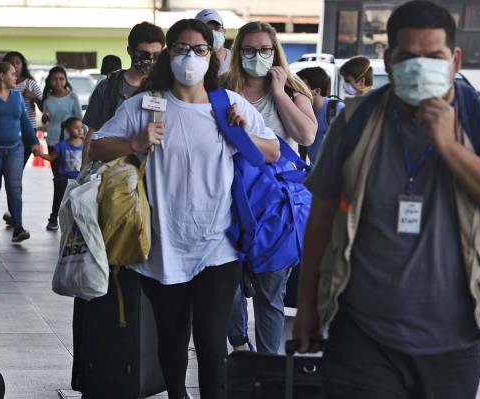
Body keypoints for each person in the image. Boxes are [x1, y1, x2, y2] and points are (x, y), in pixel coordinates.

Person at [293, 1, 480, 398]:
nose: (421, 66)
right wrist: (306, 308)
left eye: (434, 57)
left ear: (455, 60)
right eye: (408, 57)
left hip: (454, 341)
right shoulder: (355, 121)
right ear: (388, 60)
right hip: (362, 335)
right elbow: (320, 218)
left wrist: (451, 148)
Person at [89, 18, 280, 399]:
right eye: (180, 48)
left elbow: (272, 151)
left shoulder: (229, 104)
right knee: (172, 342)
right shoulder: (147, 103)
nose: (189, 56)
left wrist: (239, 133)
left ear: (211, 56)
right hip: (163, 245)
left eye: (199, 49)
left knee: (211, 345)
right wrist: (135, 142)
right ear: (167, 53)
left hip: (218, 248)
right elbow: (96, 146)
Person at [220, 20, 317, 354]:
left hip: (276, 211)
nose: (256, 56)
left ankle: (267, 369)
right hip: (227, 203)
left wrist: (278, 92)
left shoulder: (293, 92)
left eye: (264, 50)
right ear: (238, 52)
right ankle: (238, 343)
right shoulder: (221, 89)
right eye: (248, 50)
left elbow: (306, 136)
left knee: (270, 294)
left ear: (276, 52)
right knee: (225, 283)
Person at [81, 21, 166, 168]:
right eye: (144, 54)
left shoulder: (165, 88)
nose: (150, 60)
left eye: (156, 55)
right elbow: (93, 131)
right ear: (130, 51)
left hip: (152, 170)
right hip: (113, 171)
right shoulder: (108, 87)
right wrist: (85, 167)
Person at [0, 62, 40, 243]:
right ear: (2, 76)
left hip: (15, 149)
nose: (16, 77)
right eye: (12, 74)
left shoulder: (17, 97)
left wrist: (34, 142)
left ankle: (18, 227)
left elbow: (25, 122)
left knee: (14, 188)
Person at [0, 51, 45, 226]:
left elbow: (43, 105)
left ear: (22, 65)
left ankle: (13, 212)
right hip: (7, 132)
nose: (16, 66)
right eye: (12, 63)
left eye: (18, 63)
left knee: (15, 174)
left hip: (27, 132)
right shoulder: (2, 85)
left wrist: (32, 96)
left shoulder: (30, 84)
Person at [41, 66, 82, 231]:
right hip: (54, 142)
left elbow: (80, 119)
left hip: (73, 144)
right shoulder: (48, 99)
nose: (58, 82)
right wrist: (45, 117)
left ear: (66, 80)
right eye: (54, 79)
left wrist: (82, 138)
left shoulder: (72, 97)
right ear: (50, 82)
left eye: (61, 79)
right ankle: (54, 217)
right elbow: (45, 120)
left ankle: (74, 217)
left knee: (74, 181)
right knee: (59, 182)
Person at [296, 66, 345, 164]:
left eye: (301, 88)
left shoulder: (337, 110)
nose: (296, 92)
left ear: (317, 91)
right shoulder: (300, 112)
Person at [36, 117, 84, 199]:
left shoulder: (86, 145)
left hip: (80, 179)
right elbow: (51, 157)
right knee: (65, 201)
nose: (80, 130)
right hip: (65, 180)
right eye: (76, 128)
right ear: (67, 130)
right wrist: (39, 153)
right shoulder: (62, 145)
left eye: (82, 127)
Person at [195, 9, 231, 74]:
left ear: (224, 31)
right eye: (207, 29)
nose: (213, 33)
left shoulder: (235, 59)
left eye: (217, 28)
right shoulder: (194, 60)